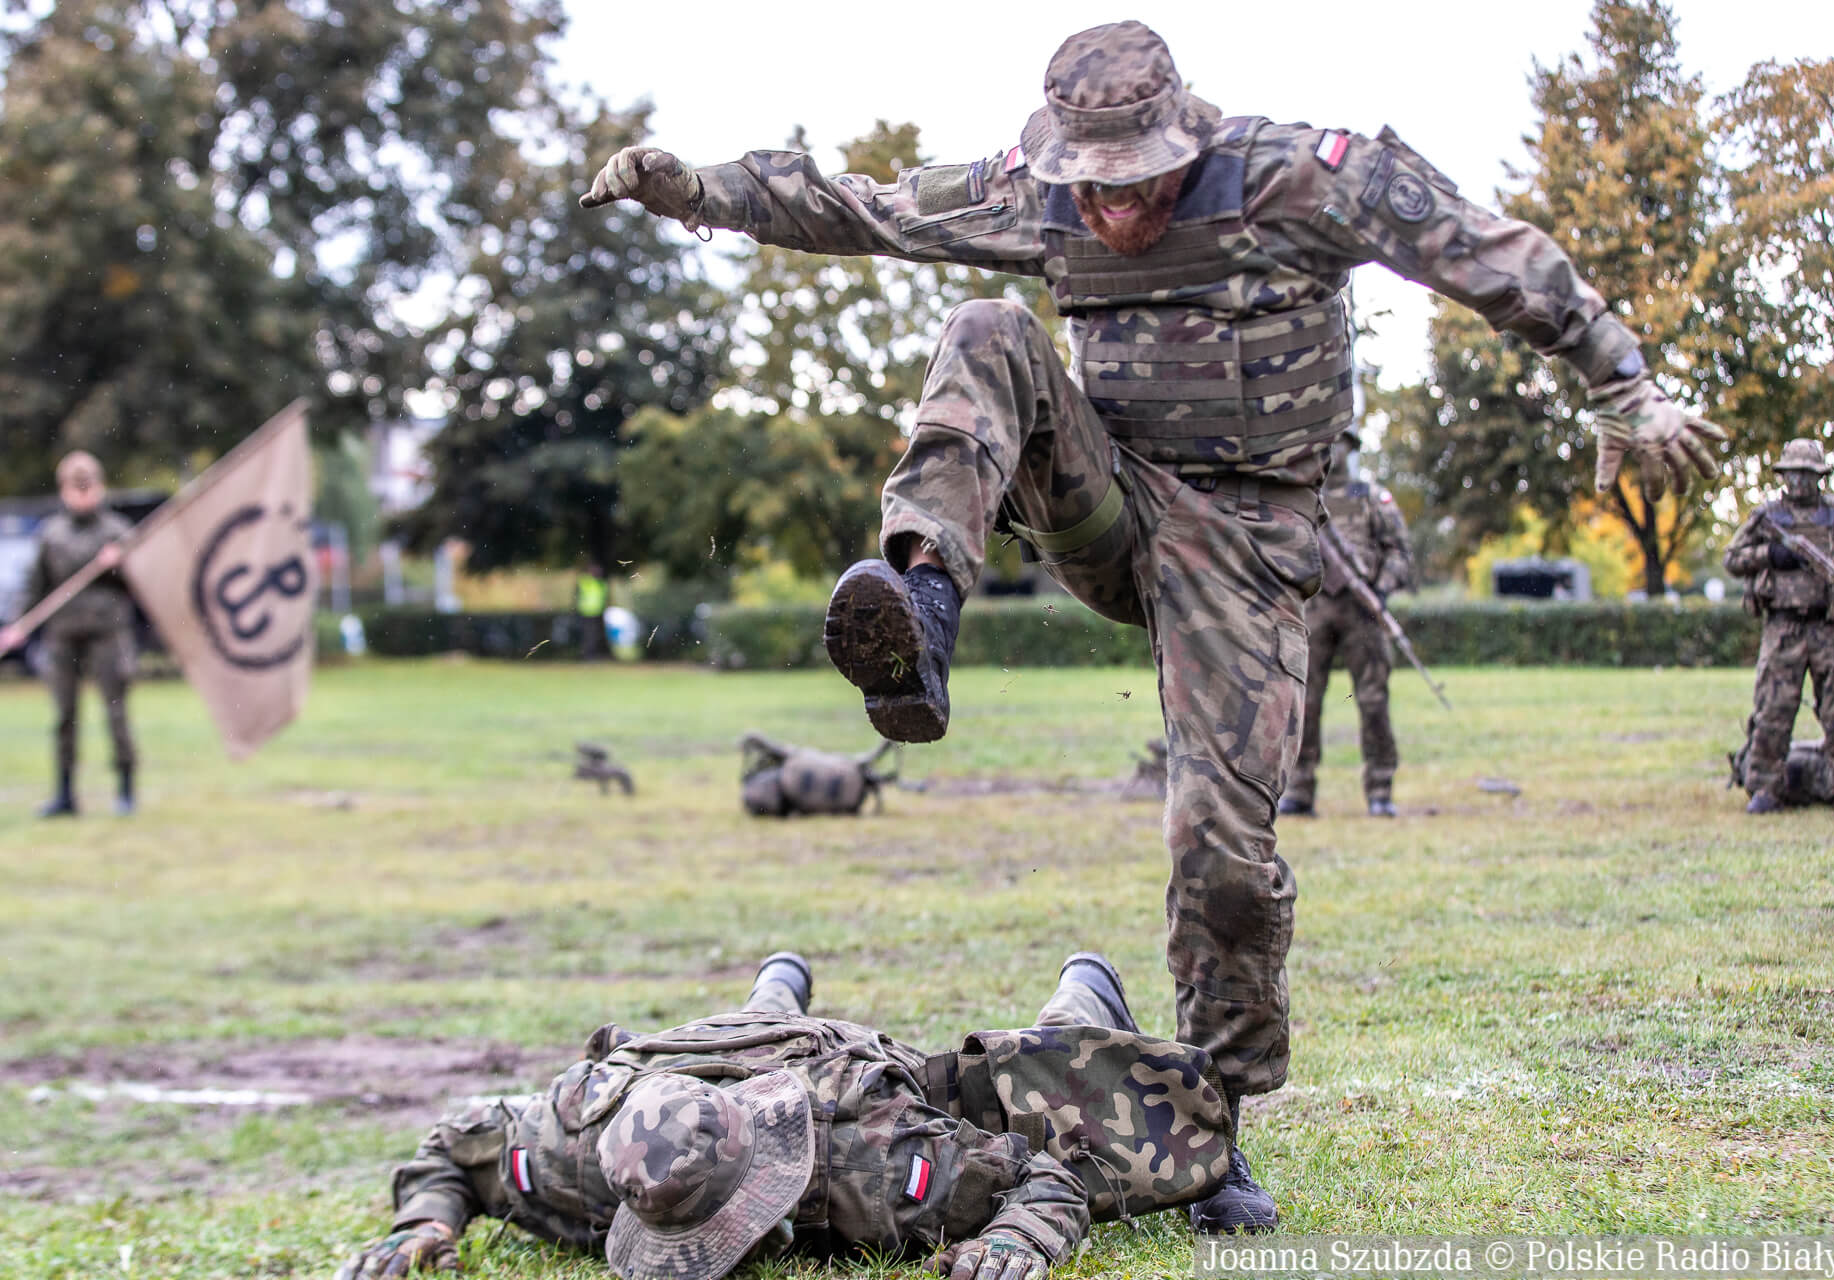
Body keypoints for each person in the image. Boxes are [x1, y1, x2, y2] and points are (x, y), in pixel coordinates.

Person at [581, 19, 1725, 1231]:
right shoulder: (1038, 195)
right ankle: (922, 612)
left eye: (1138, 184)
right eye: (1091, 186)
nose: (1112, 208)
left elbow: (1487, 251)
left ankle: (1206, 1121)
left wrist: (1622, 384)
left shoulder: (1301, 177)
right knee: (986, 330)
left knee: (1219, 840)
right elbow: (865, 205)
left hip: (1249, 541)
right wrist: (698, 190)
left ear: (1186, 142)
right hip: (1112, 503)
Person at [338, 952, 1167, 1280]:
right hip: (698, 1057)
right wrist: (426, 1222)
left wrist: (1013, 1241)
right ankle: (774, 987)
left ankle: (1083, 986)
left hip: (829, 1074)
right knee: (747, 1029)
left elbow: (1045, 1177)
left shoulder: (877, 1159)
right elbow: (453, 1146)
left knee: (1024, 1087)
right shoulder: (575, 1156)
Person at [1722, 438, 1834, 815]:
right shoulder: (1767, 517)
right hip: (1783, 627)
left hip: (1832, 627)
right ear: (1783, 476)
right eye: (1792, 474)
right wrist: (1771, 554)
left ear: (1819, 477)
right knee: (1772, 709)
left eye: (1806, 475)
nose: (1798, 482)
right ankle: (1765, 786)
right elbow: (1732, 558)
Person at [1281, 426, 1412, 819]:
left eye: (1340, 443)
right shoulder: (1301, 499)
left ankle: (1380, 790)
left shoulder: (1369, 497)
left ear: (1351, 448)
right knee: (1304, 703)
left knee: (1372, 702)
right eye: (1327, 442)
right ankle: (1299, 789)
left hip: (1363, 613)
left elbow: (1400, 552)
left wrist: (1380, 589)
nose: (1332, 451)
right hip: (1313, 609)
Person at [0, 451, 139, 817]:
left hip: (108, 632)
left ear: (100, 487)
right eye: (76, 488)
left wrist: (120, 564)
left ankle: (125, 791)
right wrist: (18, 625)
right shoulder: (52, 533)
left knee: (116, 711)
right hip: (63, 634)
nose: (82, 495)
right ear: (64, 490)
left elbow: (142, 585)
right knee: (64, 715)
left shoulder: (117, 532)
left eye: (88, 487)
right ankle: (64, 794)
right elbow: (35, 586)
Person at [577, 562, 610, 661]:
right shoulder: (586, 582)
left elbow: (604, 598)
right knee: (589, 635)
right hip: (586, 612)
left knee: (596, 635)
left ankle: (594, 654)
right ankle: (588, 655)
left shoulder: (602, 584)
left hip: (598, 612)